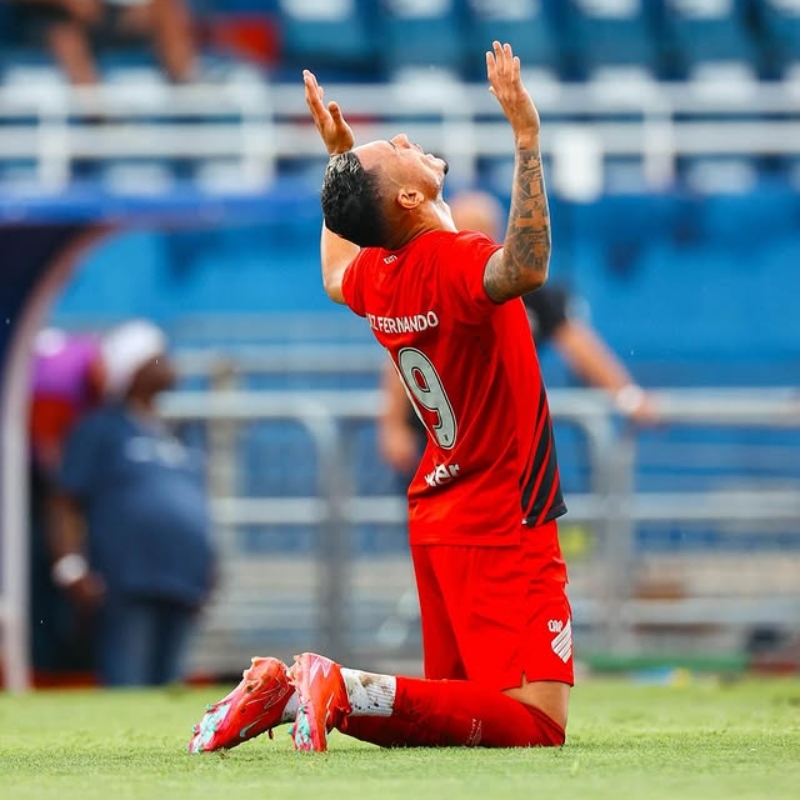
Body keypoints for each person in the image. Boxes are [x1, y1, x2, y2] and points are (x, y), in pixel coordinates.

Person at [189, 41, 570, 753]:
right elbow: (526, 265)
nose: (400, 139)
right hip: (502, 510)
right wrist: (526, 136)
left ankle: (289, 689)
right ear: (407, 197)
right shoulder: (453, 261)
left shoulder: (383, 275)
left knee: (465, 714)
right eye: (389, 151)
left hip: (440, 506)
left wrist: (341, 160)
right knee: (536, 726)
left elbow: (338, 268)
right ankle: (332, 679)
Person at [379, 188, 659, 480]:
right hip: (437, 437)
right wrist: (393, 425)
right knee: (431, 522)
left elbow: (579, 345)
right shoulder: (428, 285)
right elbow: (402, 356)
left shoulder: (527, 289)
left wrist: (627, 395)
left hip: (496, 440)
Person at [50, 319, 215, 686]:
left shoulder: (178, 432)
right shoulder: (100, 429)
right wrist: (69, 564)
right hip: (127, 580)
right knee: (128, 684)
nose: (168, 364)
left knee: (168, 688)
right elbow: (65, 500)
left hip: (182, 579)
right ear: (133, 370)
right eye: (156, 357)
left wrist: (208, 569)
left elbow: (195, 506)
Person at [28, 328, 105, 680]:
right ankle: (44, 662)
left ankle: (58, 661)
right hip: (35, 485)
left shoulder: (77, 359)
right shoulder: (70, 365)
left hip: (54, 485)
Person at [8, 0, 197, 86]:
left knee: (164, 9)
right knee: (66, 37)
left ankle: (189, 94)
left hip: (106, 15)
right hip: (48, 21)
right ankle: (99, 119)